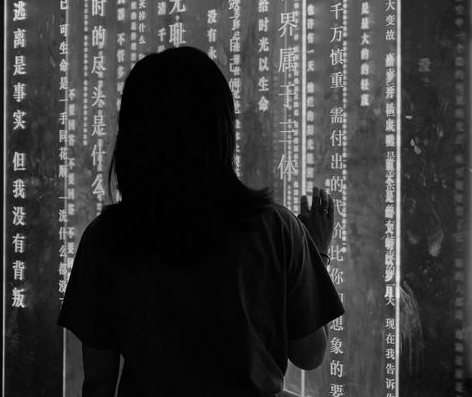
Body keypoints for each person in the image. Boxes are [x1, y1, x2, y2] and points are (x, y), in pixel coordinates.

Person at [57, 46, 344, 396]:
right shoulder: (276, 229)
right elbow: (310, 353)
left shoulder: (105, 240)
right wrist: (316, 252)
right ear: (222, 131)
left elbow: (99, 382)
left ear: (131, 136)